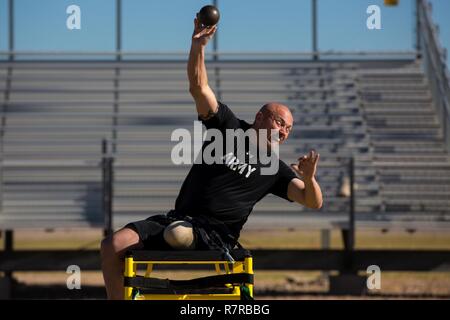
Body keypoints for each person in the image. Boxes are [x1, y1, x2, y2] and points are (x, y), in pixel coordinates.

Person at [100, 17, 323, 300]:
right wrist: (198, 46)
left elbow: (312, 201)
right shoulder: (228, 126)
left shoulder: (275, 170)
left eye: (289, 128)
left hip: (218, 236)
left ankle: (186, 236)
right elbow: (199, 88)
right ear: (259, 117)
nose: (284, 131)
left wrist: (309, 178)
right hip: (178, 219)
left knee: (179, 235)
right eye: (279, 122)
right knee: (112, 244)